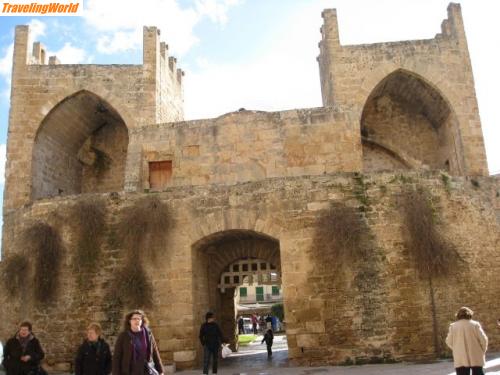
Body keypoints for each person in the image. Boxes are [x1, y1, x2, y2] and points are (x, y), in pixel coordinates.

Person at [112, 310, 164, 375]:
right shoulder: (123, 336)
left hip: (146, 370)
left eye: (139, 319)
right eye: (134, 319)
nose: (137, 321)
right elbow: (117, 356)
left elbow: (155, 353)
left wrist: (161, 371)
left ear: (142, 321)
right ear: (129, 321)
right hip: (130, 371)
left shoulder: (148, 334)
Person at [446, 306, 488, 375]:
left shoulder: (453, 326)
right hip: (476, 355)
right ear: (470, 314)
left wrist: (456, 349)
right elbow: (484, 339)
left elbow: (448, 341)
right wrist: (482, 350)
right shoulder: (475, 324)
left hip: (460, 357)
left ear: (458, 315)